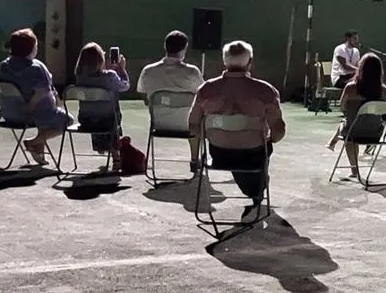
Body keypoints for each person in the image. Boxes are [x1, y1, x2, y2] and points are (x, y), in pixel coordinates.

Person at [188, 40, 286, 217]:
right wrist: (270, 139)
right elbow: (278, 131)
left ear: (224, 62)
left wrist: (212, 134)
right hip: (253, 155)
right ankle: (258, 188)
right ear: (250, 62)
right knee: (265, 147)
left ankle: (255, 188)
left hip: (219, 154)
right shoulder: (266, 91)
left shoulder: (206, 89)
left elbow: (193, 125)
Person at [0, 28, 74, 165]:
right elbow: (42, 92)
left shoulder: (2, 67)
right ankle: (34, 142)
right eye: (36, 46)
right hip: (30, 115)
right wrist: (29, 106)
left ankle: (38, 151)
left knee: (43, 112)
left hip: (9, 114)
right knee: (68, 120)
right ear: (31, 49)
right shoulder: (36, 67)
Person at [136, 30, 205, 172]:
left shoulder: (148, 71)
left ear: (165, 46)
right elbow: (203, 96)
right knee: (197, 119)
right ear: (185, 48)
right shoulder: (192, 72)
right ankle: (194, 160)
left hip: (159, 124)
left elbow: (144, 96)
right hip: (188, 125)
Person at [326, 53, 386, 177]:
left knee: (349, 131)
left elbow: (342, 106)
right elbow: (383, 111)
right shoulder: (383, 89)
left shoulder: (350, 88)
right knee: (351, 125)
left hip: (353, 131)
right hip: (375, 132)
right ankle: (333, 142)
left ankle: (354, 170)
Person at [74, 42, 131, 171]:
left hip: (86, 121)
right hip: (108, 121)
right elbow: (125, 86)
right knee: (112, 110)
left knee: (97, 110)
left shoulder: (80, 78)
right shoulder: (110, 76)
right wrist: (121, 70)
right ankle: (115, 154)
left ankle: (103, 146)